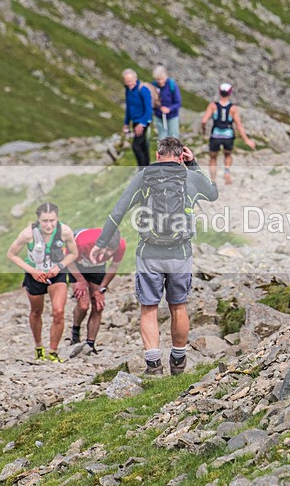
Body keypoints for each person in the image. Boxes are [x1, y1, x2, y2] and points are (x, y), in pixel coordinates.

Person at [91, 138, 218, 376]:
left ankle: (153, 365)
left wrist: (101, 242)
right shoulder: (190, 177)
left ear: (158, 156)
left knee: (148, 308)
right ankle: (178, 362)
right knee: (178, 306)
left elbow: (118, 210)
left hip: (149, 252)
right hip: (180, 253)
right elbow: (212, 194)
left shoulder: (144, 177)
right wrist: (194, 165)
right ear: (181, 156)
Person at [6, 203, 78, 363]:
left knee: (58, 312)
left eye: (52, 220)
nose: (49, 225)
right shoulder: (28, 234)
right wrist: (32, 271)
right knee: (36, 312)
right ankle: (39, 347)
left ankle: (53, 351)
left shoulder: (65, 231)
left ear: (57, 218)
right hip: (35, 275)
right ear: (38, 220)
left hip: (56, 274)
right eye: (44, 221)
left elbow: (74, 253)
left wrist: (59, 266)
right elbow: (11, 254)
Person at [67, 228, 127, 357]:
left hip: (97, 268)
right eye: (107, 249)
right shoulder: (83, 241)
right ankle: (75, 331)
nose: (109, 253)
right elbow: (68, 260)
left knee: (98, 305)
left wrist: (101, 289)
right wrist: (80, 280)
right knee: (83, 305)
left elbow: (114, 266)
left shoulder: (121, 245)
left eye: (112, 251)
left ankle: (90, 343)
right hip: (76, 263)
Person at [200, 83, 256, 184]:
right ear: (230, 93)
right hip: (228, 136)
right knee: (227, 155)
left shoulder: (213, 106)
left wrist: (203, 129)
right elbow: (238, 125)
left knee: (213, 157)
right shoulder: (233, 108)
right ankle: (227, 172)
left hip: (215, 135)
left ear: (220, 92)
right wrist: (246, 140)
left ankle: (213, 179)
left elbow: (204, 121)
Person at [122, 68, 153, 167]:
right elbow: (128, 108)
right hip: (135, 121)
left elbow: (149, 110)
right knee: (143, 145)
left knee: (136, 146)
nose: (129, 84)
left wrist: (142, 124)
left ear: (135, 78)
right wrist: (126, 123)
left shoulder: (143, 90)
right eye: (127, 82)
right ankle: (146, 168)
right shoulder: (128, 91)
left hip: (144, 121)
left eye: (130, 81)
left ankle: (142, 168)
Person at [152, 65, 182, 141]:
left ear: (165, 76)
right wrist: (159, 107)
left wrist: (169, 109)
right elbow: (152, 101)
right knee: (162, 138)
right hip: (159, 116)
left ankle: (175, 152)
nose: (160, 81)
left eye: (161, 79)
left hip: (172, 116)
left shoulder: (172, 85)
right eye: (158, 79)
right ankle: (163, 152)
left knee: (174, 138)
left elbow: (178, 102)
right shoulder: (154, 86)